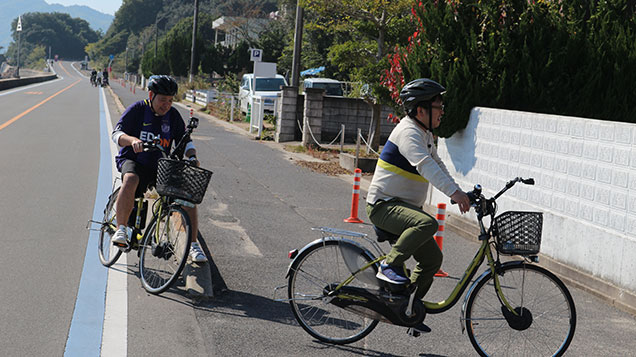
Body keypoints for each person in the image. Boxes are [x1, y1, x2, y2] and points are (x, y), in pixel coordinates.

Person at [366, 78, 470, 300]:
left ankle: (409, 307)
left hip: (401, 207)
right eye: (438, 107)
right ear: (421, 110)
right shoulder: (408, 132)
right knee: (427, 222)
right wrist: (455, 193)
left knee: (433, 260)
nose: (442, 111)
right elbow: (426, 166)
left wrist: (459, 192)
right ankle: (389, 265)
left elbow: (438, 165)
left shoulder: (424, 134)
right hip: (383, 206)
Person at [110, 75, 207, 263]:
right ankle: (121, 229)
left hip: (162, 166)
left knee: (188, 196)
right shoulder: (138, 110)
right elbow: (117, 134)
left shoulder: (173, 116)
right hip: (135, 160)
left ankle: (193, 246)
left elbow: (185, 141)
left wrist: (193, 157)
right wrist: (132, 140)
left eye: (170, 100)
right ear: (151, 95)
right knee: (130, 179)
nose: (167, 105)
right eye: (163, 100)